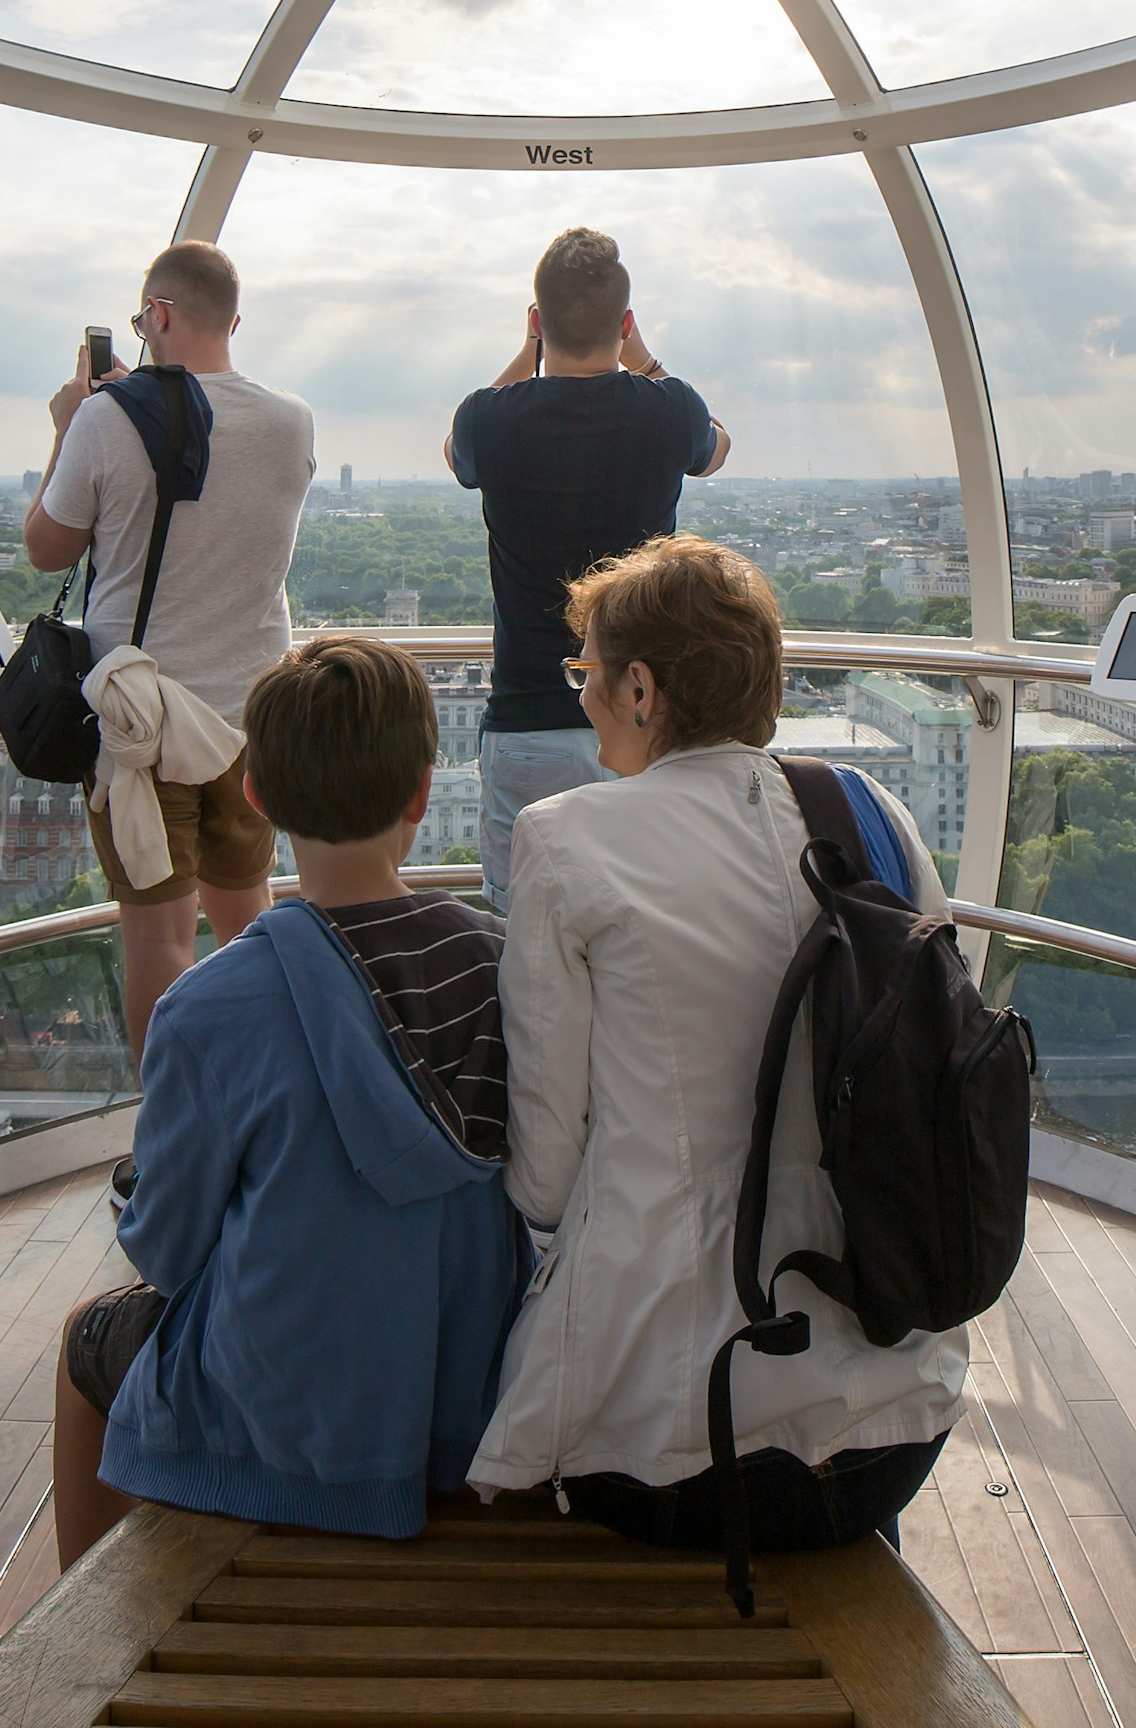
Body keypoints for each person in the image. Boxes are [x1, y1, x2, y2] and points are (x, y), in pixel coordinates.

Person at [469, 534, 963, 1553]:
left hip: (675, 1443)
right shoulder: (872, 815)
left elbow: (548, 1173)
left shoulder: (568, 838)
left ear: (643, 688)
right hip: (901, 1422)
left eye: (590, 674)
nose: (585, 696)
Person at [49, 635, 528, 1561]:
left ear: (257, 800)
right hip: (462, 1395)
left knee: (85, 1344)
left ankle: (67, 1642)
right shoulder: (502, 962)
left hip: (276, 1420)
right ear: (421, 795)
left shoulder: (209, 1007)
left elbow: (169, 1245)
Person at [26, 241, 315, 1055]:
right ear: (232, 318)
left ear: (156, 316)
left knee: (160, 940)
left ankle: (168, 1141)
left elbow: (48, 548)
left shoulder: (105, 417)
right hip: (245, 718)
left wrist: (66, 426)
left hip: (142, 722)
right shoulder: (293, 421)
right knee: (247, 918)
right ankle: (259, 1112)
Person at [442, 228, 731, 910]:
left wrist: (527, 351)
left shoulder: (491, 419)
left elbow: (459, 451)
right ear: (625, 323)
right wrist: (648, 361)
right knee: (644, 935)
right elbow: (716, 448)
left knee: (525, 938)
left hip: (528, 720)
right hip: (641, 722)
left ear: (539, 321)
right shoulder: (669, 410)